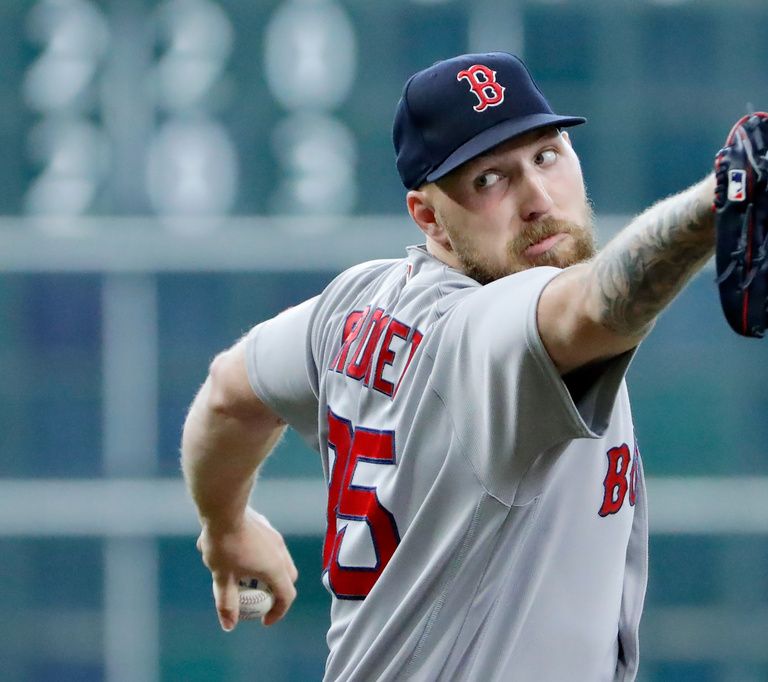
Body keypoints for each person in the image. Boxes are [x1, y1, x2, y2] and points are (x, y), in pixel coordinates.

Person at [181, 51, 716, 682]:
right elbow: (596, 308)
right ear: (430, 217)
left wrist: (226, 524)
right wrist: (727, 197)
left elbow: (226, 393)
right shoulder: (482, 337)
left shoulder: (352, 306)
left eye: (545, 156)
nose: (538, 198)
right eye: (490, 179)